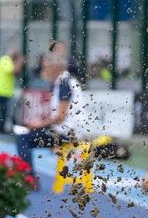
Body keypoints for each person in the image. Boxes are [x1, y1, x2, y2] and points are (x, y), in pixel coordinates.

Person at [15, 42, 95, 173]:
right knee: (27, 133)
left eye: (46, 67)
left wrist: (38, 125)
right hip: (67, 131)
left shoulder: (64, 83)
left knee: (22, 137)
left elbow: (60, 117)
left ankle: (28, 177)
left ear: (56, 67)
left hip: (67, 133)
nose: (44, 70)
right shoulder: (64, 81)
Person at [0, 50, 23, 134]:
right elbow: (13, 71)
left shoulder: (5, 60)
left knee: (3, 111)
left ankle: (0, 129)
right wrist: (20, 62)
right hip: (2, 91)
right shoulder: (5, 60)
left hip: (4, 91)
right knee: (2, 111)